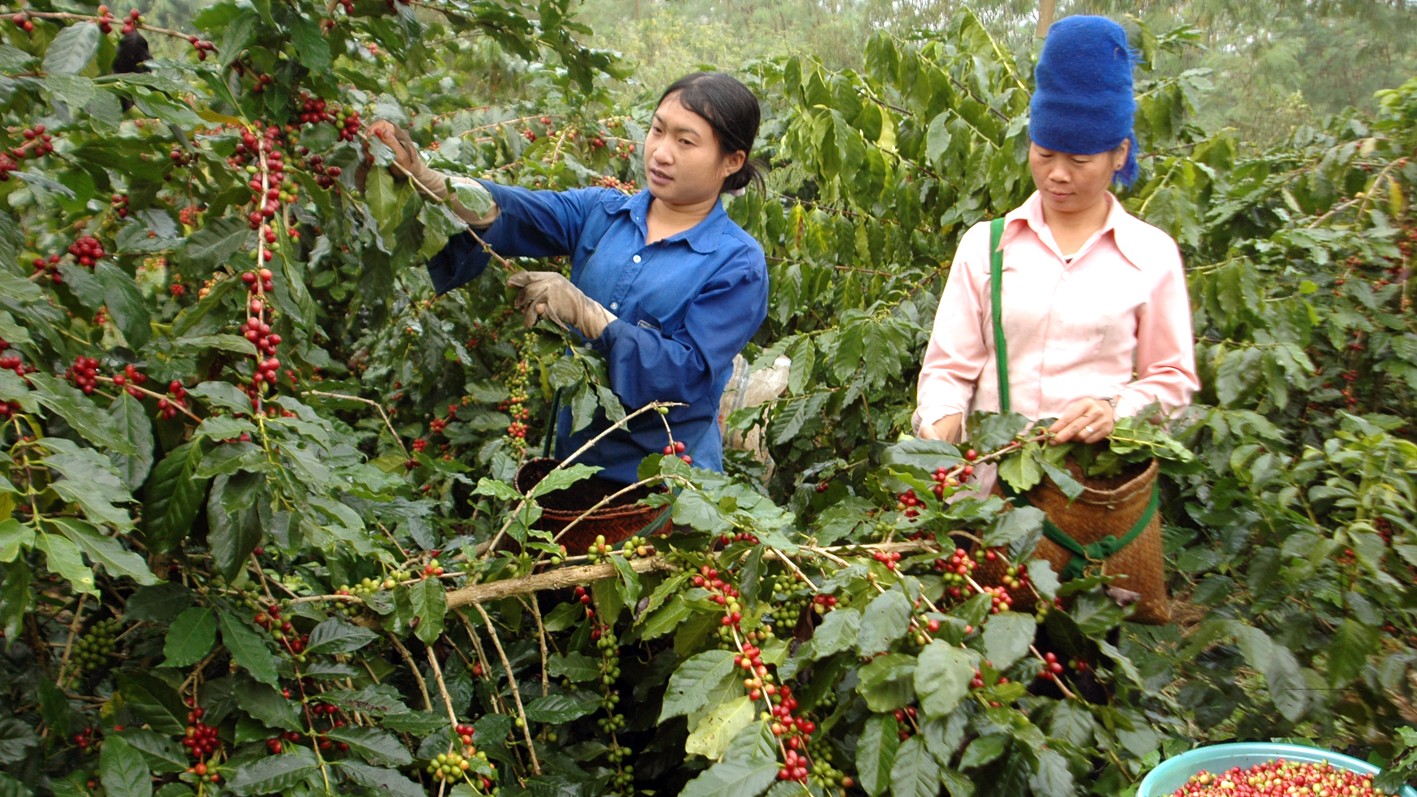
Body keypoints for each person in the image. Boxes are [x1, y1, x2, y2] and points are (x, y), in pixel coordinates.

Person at [367, 72, 769, 486]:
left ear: (731, 161)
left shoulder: (737, 264)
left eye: (685, 142)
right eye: (657, 130)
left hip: (665, 485)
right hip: (572, 469)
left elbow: (686, 373)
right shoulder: (602, 212)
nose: (661, 153)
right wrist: (426, 177)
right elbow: (512, 210)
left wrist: (589, 315)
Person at [913, 15, 1199, 466]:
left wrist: (1115, 412)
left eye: (1080, 159)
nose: (1058, 174)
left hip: (1096, 499)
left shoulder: (1151, 256)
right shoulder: (985, 247)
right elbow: (949, 369)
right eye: (1044, 154)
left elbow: (1172, 377)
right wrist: (940, 423)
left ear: (1119, 153)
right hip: (993, 504)